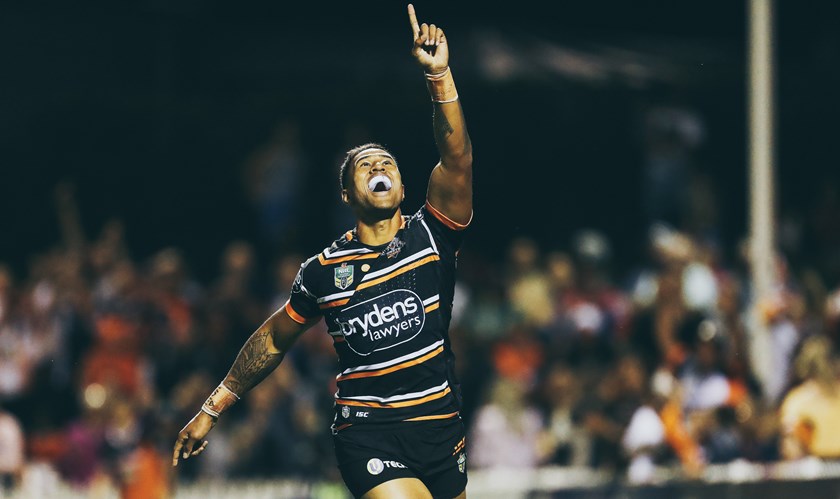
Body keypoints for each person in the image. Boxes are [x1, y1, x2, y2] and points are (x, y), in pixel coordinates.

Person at [172, 5, 473, 498]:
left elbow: (456, 158)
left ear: (402, 183)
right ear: (348, 195)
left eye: (388, 161)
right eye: (365, 164)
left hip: (441, 430)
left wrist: (439, 76)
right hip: (368, 435)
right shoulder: (321, 271)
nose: (379, 164)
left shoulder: (433, 235)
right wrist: (211, 409)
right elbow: (272, 341)